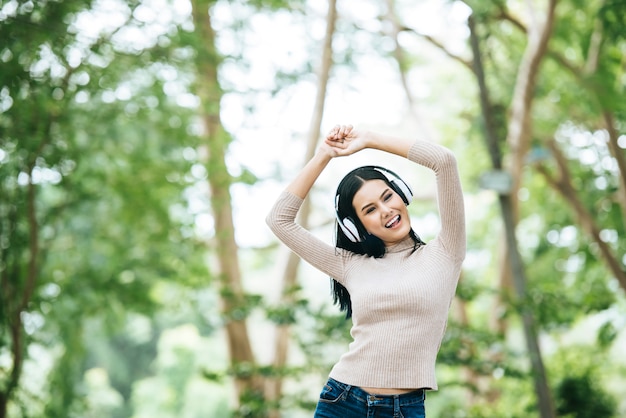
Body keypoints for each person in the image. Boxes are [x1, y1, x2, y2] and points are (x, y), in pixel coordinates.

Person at [266, 124, 466, 417]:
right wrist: (324, 154)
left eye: (387, 197)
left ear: (402, 194)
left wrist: (370, 139)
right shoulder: (350, 264)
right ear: (356, 227)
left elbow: (444, 161)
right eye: (369, 210)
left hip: (405, 408)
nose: (385, 210)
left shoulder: (447, 251)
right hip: (343, 400)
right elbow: (278, 220)